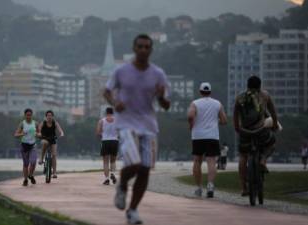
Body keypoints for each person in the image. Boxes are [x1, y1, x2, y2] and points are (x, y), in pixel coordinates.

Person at [104, 34, 171, 225]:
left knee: (144, 170)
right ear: (134, 48)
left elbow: (166, 105)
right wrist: (115, 102)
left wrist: (161, 97)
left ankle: (132, 210)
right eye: (140, 46)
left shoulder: (158, 74)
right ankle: (122, 185)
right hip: (126, 123)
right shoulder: (121, 71)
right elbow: (107, 91)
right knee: (133, 162)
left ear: (151, 50)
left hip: (149, 126)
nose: (143, 50)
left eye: (147, 47)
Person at [233, 75, 278, 196]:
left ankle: (243, 187)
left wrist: (238, 129)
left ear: (247, 85)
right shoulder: (265, 95)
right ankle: (263, 160)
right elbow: (273, 113)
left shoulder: (240, 97)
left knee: (243, 156)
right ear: (260, 85)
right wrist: (275, 125)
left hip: (245, 132)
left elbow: (235, 116)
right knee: (272, 143)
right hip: (261, 131)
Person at [187, 82, 227, 198]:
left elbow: (190, 116)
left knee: (197, 162)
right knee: (211, 162)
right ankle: (210, 185)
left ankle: (199, 188)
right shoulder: (217, 104)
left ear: (200, 92)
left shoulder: (195, 103)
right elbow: (224, 121)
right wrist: (216, 122)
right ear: (210, 92)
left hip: (198, 136)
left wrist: (191, 124)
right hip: (212, 136)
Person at [14, 108, 39, 186]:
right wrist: (22, 134)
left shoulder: (35, 123)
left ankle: (30, 175)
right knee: (26, 164)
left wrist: (38, 134)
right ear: (25, 115)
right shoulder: (22, 124)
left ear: (32, 115)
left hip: (33, 145)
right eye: (27, 115)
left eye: (30, 115)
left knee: (33, 162)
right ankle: (25, 180)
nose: (29, 116)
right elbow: (15, 134)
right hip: (24, 145)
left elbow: (40, 133)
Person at [37, 110, 64, 179]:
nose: (49, 117)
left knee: (54, 155)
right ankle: (41, 158)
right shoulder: (43, 122)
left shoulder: (55, 123)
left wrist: (61, 133)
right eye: (48, 115)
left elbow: (60, 130)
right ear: (46, 116)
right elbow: (39, 129)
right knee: (44, 143)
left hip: (53, 139)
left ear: (52, 116)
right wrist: (39, 133)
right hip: (44, 138)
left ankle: (54, 173)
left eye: (51, 115)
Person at [96, 107, 119, 185]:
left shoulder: (101, 121)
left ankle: (106, 179)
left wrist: (102, 135)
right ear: (113, 113)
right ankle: (113, 174)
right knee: (113, 161)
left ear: (106, 113)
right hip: (114, 141)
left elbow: (98, 132)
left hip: (105, 141)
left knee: (105, 162)